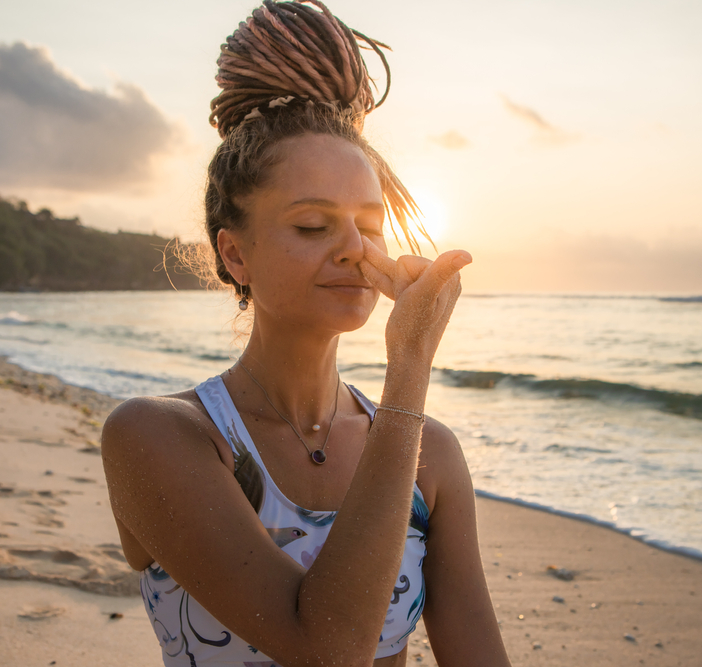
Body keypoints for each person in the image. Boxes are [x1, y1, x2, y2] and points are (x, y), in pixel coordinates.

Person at [101, 2, 510, 665]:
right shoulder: (159, 436)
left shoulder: (430, 456)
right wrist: (408, 367)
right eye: (313, 226)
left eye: (369, 224)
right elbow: (327, 648)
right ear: (236, 254)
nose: (352, 248)